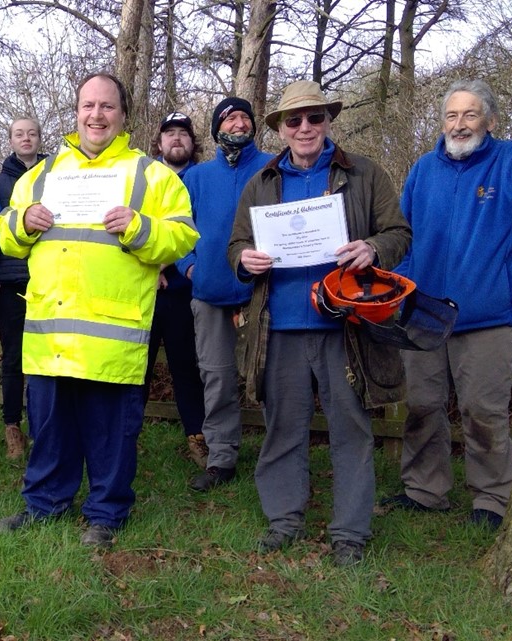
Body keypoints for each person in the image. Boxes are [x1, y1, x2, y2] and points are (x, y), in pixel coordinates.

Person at [0, 73, 198, 548]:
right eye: (88, 105)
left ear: (123, 114)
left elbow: (184, 234)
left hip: (111, 333)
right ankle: (44, 504)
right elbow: (5, 234)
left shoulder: (151, 175)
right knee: (49, 430)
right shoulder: (43, 174)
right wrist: (22, 221)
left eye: (107, 106)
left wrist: (141, 227)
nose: (96, 115)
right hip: (52, 335)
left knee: (111, 435)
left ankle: (105, 514)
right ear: (76, 111)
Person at [228, 80, 411, 566]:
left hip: (344, 325)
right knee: (282, 428)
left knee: (350, 428)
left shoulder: (365, 174)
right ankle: (284, 520)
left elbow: (399, 232)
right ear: (281, 130)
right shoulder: (262, 182)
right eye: (294, 120)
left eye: (315, 118)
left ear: (329, 121)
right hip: (280, 326)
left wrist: (372, 248)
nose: (305, 127)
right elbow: (235, 246)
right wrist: (245, 260)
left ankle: (350, 531)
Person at [381, 79, 512, 530]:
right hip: (423, 313)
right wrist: (401, 287)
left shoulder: (511, 161)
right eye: (452, 116)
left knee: (484, 412)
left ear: (490, 121)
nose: (460, 125)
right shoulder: (422, 169)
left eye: (470, 115)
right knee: (421, 405)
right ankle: (424, 490)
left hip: (486, 316)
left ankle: (492, 500)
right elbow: (404, 234)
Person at [176, 96, 275, 492]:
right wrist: (189, 267)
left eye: (243, 118)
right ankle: (221, 457)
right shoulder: (196, 177)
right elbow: (179, 228)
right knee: (215, 377)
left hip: (262, 293)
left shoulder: (272, 167)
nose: (237, 124)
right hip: (210, 293)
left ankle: (280, 455)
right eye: (229, 118)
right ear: (217, 127)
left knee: (268, 376)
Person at [144, 112, 207, 468]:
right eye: (169, 133)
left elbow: (198, 230)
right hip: (146, 289)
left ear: (192, 143)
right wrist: (152, 267)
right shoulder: (144, 178)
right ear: (159, 143)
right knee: (137, 367)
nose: (177, 139)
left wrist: (167, 264)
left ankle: (197, 438)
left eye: (183, 133)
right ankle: (125, 437)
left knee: (187, 367)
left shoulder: (200, 180)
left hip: (185, 289)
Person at [0, 117, 47, 460]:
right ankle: (13, 427)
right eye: (19, 134)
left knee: (43, 360)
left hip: (48, 280)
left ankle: (43, 428)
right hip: (9, 283)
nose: (26, 139)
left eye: (32, 133)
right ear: (10, 139)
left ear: (40, 138)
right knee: (13, 358)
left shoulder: (55, 178)